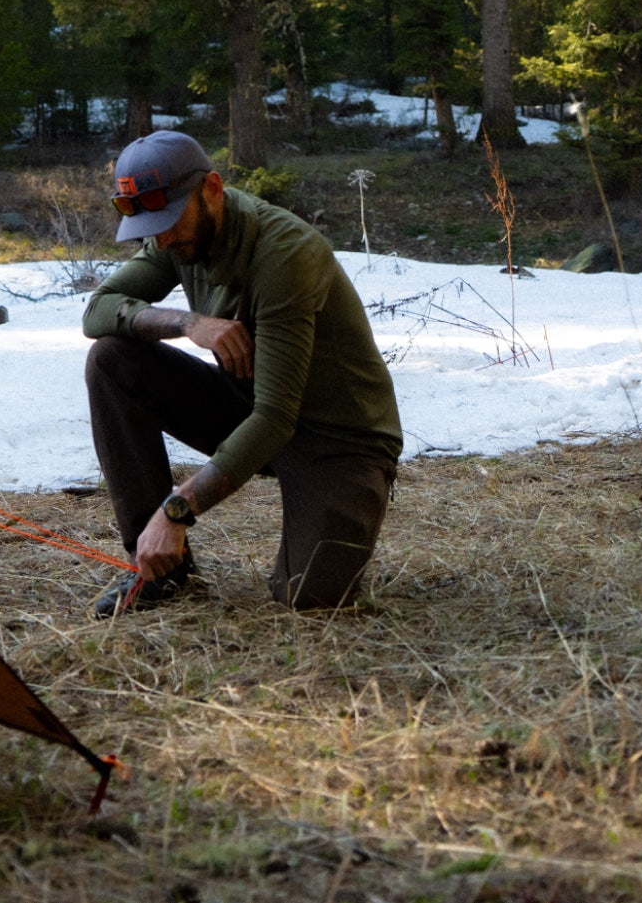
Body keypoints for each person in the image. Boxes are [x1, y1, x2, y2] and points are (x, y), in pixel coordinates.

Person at [82, 131, 402, 617]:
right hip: (251, 405)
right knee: (111, 359)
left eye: (169, 221)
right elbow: (97, 313)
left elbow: (276, 418)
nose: (161, 238)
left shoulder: (285, 254)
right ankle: (159, 571)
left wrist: (178, 511)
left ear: (212, 188)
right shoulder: (175, 236)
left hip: (337, 438)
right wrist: (189, 323)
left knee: (310, 600)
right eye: (150, 226)